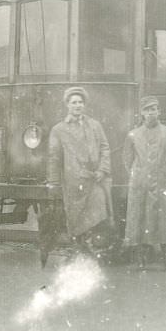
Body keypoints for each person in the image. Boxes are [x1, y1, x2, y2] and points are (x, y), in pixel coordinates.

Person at [47, 86, 114, 257]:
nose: (78, 105)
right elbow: (54, 157)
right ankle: (79, 249)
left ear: (85, 105)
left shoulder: (95, 125)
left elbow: (105, 148)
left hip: (95, 179)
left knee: (98, 211)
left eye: (81, 102)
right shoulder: (59, 129)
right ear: (67, 105)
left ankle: (93, 247)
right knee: (76, 217)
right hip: (74, 181)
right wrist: (53, 182)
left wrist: (102, 170)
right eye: (74, 102)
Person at [123, 96, 166, 271]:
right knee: (140, 220)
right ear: (141, 113)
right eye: (147, 110)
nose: (150, 113)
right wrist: (138, 177)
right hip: (141, 186)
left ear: (159, 112)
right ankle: (142, 260)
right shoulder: (133, 135)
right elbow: (127, 160)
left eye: (154, 109)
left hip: (164, 184)